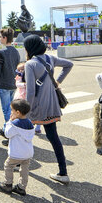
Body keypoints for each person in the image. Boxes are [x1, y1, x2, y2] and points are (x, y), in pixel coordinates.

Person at [24, 35, 73, 183]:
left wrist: (25, 111)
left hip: (36, 107)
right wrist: (58, 81)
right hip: (51, 104)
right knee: (53, 137)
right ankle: (63, 172)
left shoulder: (30, 64)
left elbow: (31, 92)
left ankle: (18, 164)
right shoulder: (50, 58)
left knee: (23, 136)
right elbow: (69, 64)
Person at [0, 99, 35, 196]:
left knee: (8, 166)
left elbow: (7, 134)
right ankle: (22, 187)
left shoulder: (15, 123)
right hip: (28, 153)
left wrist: (10, 121)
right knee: (24, 169)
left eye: (12, 110)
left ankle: (8, 184)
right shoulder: (29, 123)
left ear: (17, 112)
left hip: (17, 153)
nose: (11, 112)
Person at [0, 27, 20, 135]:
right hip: (13, 83)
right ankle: (6, 128)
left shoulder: (1, 52)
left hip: (3, 84)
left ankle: (10, 132)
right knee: (11, 109)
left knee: (6, 110)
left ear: (5, 38)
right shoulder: (16, 51)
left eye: (0, 37)